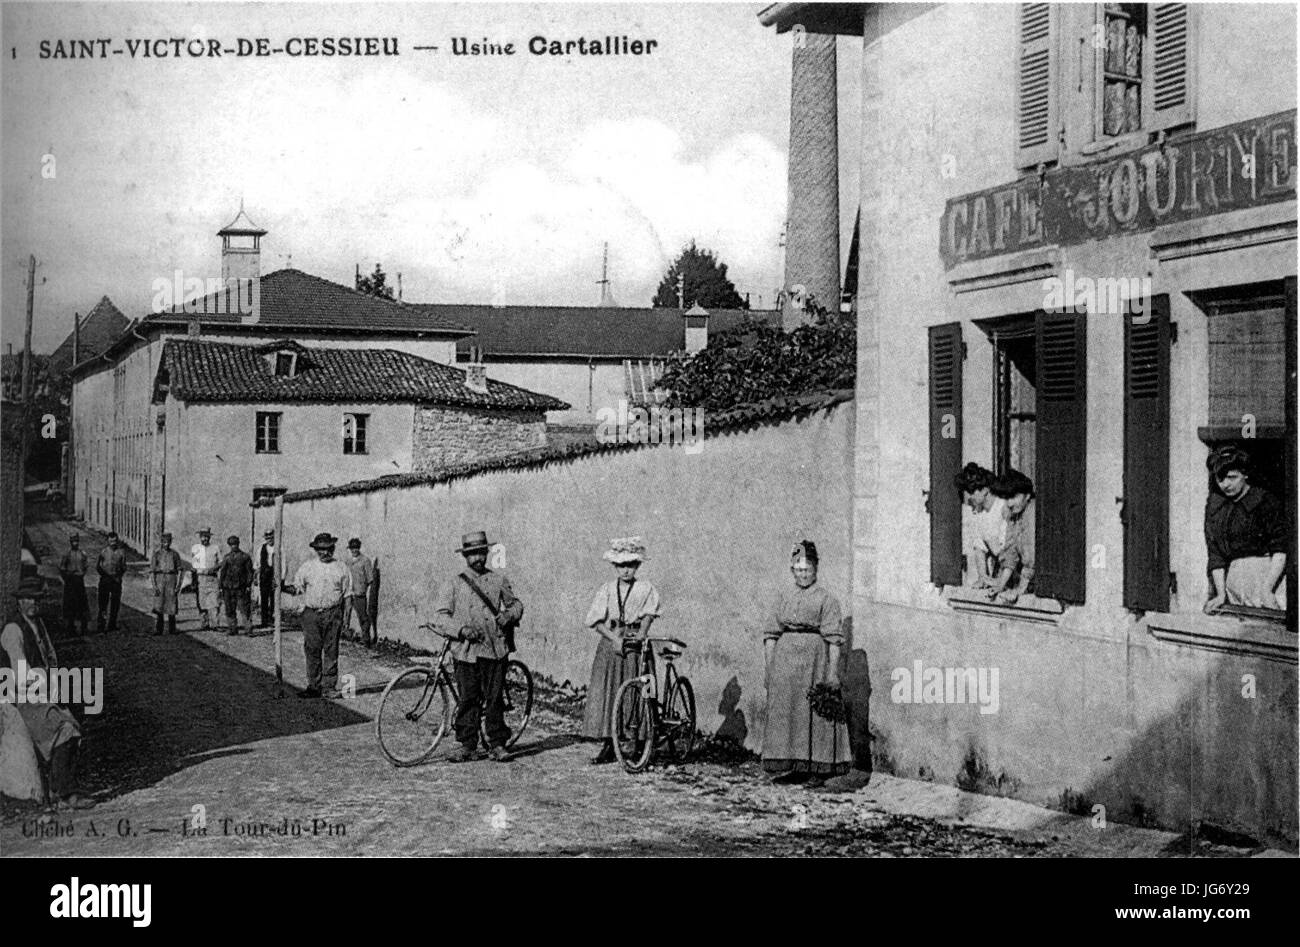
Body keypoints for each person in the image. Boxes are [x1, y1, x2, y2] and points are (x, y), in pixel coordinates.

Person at [761, 540, 852, 787]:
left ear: (816, 569)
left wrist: (832, 674)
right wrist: (770, 671)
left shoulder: (827, 600)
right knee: (790, 714)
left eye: (807, 570)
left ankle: (817, 769)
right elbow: (770, 635)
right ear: (792, 570)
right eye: (798, 570)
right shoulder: (783, 597)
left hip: (815, 663)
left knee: (813, 714)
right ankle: (795, 766)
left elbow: (834, 640)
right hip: (785, 664)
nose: (803, 574)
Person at [1, 577, 92, 810]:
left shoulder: (38, 624)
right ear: (19, 602)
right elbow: (21, 672)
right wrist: (48, 684)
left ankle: (58, 785)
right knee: (66, 730)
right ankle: (64, 793)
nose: (33, 603)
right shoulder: (13, 630)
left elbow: (50, 657)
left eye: (37, 599)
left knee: (77, 715)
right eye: (28, 598)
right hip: (23, 696)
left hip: (42, 691)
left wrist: (58, 682)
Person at [432, 531, 523, 763]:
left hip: (494, 648)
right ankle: (467, 745)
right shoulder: (454, 583)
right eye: (472, 554)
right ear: (465, 556)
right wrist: (460, 630)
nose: (477, 558)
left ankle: (497, 744)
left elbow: (516, 604)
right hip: (466, 651)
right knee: (468, 698)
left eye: (481, 553)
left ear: (487, 553)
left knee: (494, 699)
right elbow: (441, 616)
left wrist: (508, 615)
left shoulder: (498, 580)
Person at [581, 537, 661, 765]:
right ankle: (609, 742)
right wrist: (614, 638)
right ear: (615, 567)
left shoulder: (646, 588)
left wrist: (642, 632)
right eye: (621, 566)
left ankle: (640, 741)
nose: (626, 571)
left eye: (631, 565)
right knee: (608, 689)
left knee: (640, 690)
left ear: (637, 566)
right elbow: (595, 621)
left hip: (635, 644)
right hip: (612, 643)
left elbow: (649, 614)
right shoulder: (606, 589)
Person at [1204, 446, 1287, 613]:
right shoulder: (1216, 507)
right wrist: (1221, 594)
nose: (1225, 485)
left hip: (1266, 578)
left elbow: (1281, 548)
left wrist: (1267, 589)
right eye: (1220, 479)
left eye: (1231, 477)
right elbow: (1216, 555)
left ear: (1245, 474)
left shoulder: (1264, 501)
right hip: (1234, 582)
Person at [283, 532, 352, 699]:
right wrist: (282, 587)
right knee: (312, 650)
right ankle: (314, 686)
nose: (325, 553)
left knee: (331, 650)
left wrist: (346, 620)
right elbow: (297, 588)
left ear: (333, 548)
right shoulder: (308, 567)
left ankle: (329, 687)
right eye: (321, 549)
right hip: (311, 615)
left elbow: (347, 596)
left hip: (333, 613)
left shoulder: (342, 568)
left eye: (328, 549)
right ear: (316, 550)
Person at [983, 470, 1036, 605]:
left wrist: (1020, 590)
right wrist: (1000, 584)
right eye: (1007, 498)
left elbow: (1030, 557)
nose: (1009, 503)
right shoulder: (1014, 514)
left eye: (1013, 497)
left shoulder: (1032, 515)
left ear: (1027, 495)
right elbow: (1011, 551)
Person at [954, 462, 1006, 588]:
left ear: (985, 490)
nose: (970, 502)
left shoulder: (1003, 507)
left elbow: (1006, 551)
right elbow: (979, 546)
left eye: (972, 495)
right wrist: (983, 577)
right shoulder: (981, 512)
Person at [151, 531, 190, 636]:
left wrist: (179, 586)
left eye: (168, 542)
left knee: (171, 604)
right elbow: (152, 572)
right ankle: (158, 629)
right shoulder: (157, 554)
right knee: (159, 605)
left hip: (171, 579)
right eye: (164, 542)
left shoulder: (175, 554)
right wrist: (154, 586)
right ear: (161, 542)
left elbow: (181, 571)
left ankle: (172, 629)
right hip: (160, 579)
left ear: (171, 542)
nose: (166, 544)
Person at [217, 536, 255, 637]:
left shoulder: (245, 557)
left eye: (235, 544)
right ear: (229, 545)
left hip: (241, 587)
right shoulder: (226, 557)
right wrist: (221, 586)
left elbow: (249, 572)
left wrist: (248, 585)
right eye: (231, 545)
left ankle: (248, 629)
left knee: (244, 609)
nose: (234, 546)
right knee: (229, 609)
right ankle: (232, 628)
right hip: (228, 587)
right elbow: (223, 572)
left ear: (238, 544)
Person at [343, 538, 376, 647]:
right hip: (349, 592)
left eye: (356, 548)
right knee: (346, 613)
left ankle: (366, 638)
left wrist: (363, 588)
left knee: (363, 616)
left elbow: (370, 578)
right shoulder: (347, 561)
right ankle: (345, 633)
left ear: (359, 548)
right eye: (352, 548)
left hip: (359, 593)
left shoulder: (365, 561)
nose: (354, 550)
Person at [95, 531, 128, 633]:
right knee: (103, 604)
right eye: (111, 541)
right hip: (105, 581)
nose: (113, 543)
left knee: (115, 604)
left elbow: (124, 567)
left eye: (114, 541)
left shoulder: (121, 552)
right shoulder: (104, 552)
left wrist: (118, 576)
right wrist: (105, 576)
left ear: (117, 540)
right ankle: (101, 625)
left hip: (116, 581)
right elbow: (98, 567)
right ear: (108, 541)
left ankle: (112, 624)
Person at [190, 527, 222, 629]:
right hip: (201, 578)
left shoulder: (215, 548)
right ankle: (204, 623)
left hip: (212, 578)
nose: (205, 539)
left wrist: (213, 569)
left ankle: (215, 624)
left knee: (214, 601)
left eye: (207, 537)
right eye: (203, 537)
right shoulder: (196, 548)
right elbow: (194, 566)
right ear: (200, 537)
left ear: (209, 537)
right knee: (202, 602)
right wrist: (193, 581)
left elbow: (221, 562)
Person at [58, 534, 89, 636]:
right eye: (73, 541)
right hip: (70, 582)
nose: (75, 543)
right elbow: (62, 568)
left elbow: (85, 566)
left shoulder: (82, 554)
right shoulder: (67, 554)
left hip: (79, 581)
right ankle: (71, 627)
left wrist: (81, 574)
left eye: (76, 541)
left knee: (82, 604)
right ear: (70, 542)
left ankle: (84, 627)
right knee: (70, 604)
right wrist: (67, 578)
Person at [255, 529, 278, 629]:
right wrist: (256, 577)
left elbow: (284, 564)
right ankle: (264, 621)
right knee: (264, 598)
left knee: (274, 599)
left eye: (271, 537)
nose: (269, 539)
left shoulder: (279, 548)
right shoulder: (261, 548)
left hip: (275, 576)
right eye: (267, 538)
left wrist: (280, 579)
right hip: (264, 576)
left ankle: (273, 620)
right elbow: (257, 564)